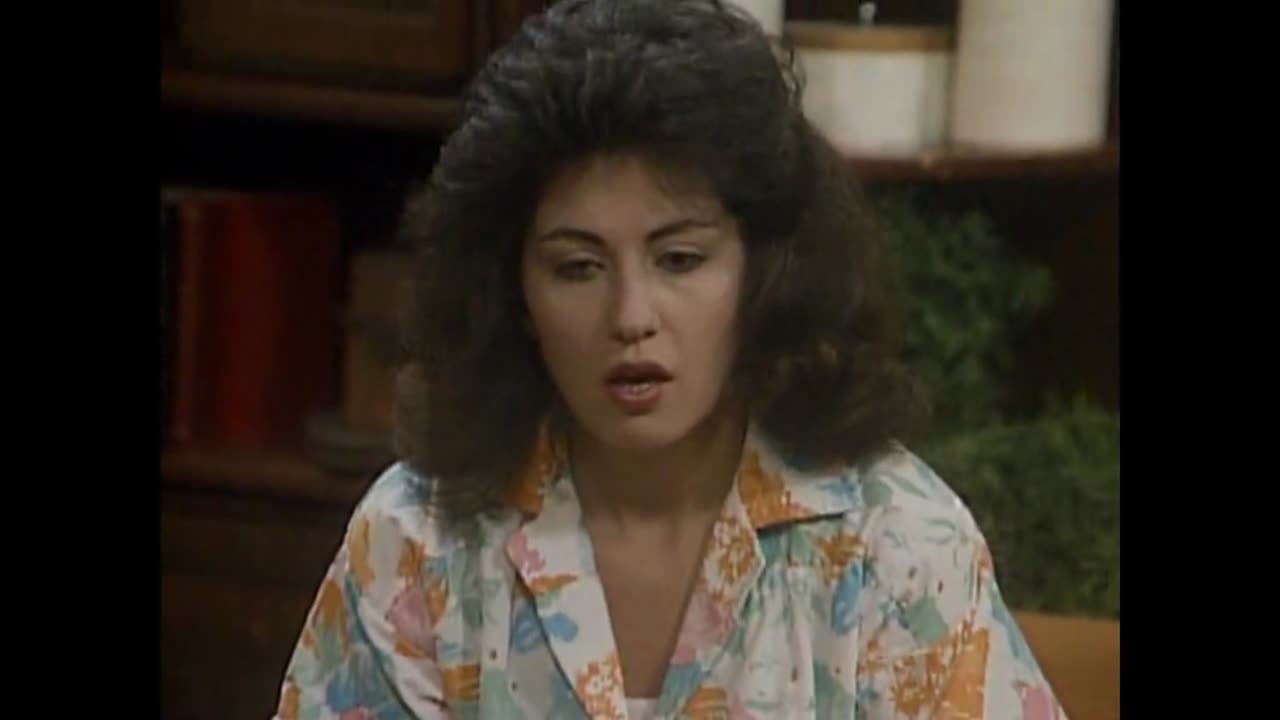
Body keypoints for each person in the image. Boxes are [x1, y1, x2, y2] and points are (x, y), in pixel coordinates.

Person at [272, 1, 1068, 718]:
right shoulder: (419, 541)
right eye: (577, 268)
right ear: (512, 294)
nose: (631, 318)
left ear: (764, 271)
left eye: (680, 260)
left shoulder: (896, 544)